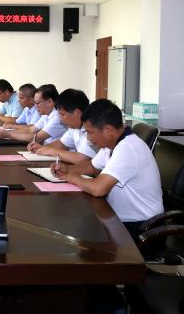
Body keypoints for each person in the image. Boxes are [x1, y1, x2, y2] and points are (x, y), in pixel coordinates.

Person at [56, 99, 163, 241]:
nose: (88, 138)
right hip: (118, 218)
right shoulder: (111, 144)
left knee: (76, 232)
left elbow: (98, 188)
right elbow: (92, 166)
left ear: (107, 130)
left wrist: (72, 177)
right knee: (75, 225)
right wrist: (68, 169)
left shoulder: (128, 148)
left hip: (141, 227)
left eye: (90, 132)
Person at [30, 89, 97, 165]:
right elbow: (62, 144)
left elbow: (81, 159)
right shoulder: (73, 127)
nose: (60, 118)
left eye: (62, 114)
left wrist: (51, 151)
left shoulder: (92, 128)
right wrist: (41, 148)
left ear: (76, 113)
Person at [0, 84, 66, 145]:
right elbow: (31, 130)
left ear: (50, 102)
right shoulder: (46, 115)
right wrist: (6, 132)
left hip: (54, 153)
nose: (36, 106)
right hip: (47, 150)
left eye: (37, 103)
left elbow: (37, 138)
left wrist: (8, 134)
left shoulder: (57, 117)